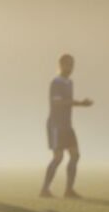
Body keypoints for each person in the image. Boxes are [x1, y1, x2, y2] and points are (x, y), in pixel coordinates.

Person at [39, 54, 93, 198]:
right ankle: (44, 189)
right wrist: (80, 103)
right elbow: (57, 103)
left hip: (67, 125)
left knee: (75, 155)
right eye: (68, 64)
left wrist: (79, 104)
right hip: (56, 125)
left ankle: (68, 190)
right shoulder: (56, 82)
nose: (71, 68)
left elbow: (66, 102)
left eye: (72, 64)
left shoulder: (69, 82)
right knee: (58, 157)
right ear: (61, 65)